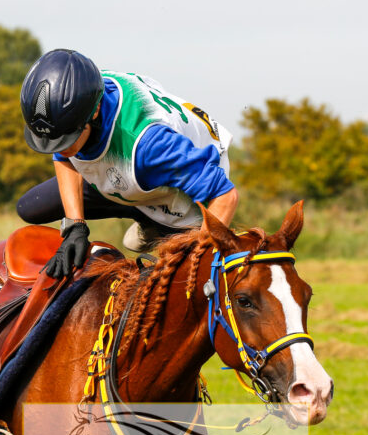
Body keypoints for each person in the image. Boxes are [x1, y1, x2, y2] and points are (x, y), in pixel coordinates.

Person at [16, 49, 238, 278]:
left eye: (66, 140)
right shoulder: (73, 103)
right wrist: (75, 226)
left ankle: (159, 223)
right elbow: (63, 156)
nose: (60, 149)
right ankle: (143, 216)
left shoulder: (151, 145)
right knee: (30, 208)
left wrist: (199, 260)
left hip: (176, 195)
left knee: (175, 286)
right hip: (128, 175)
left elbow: (225, 195)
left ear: (95, 112)